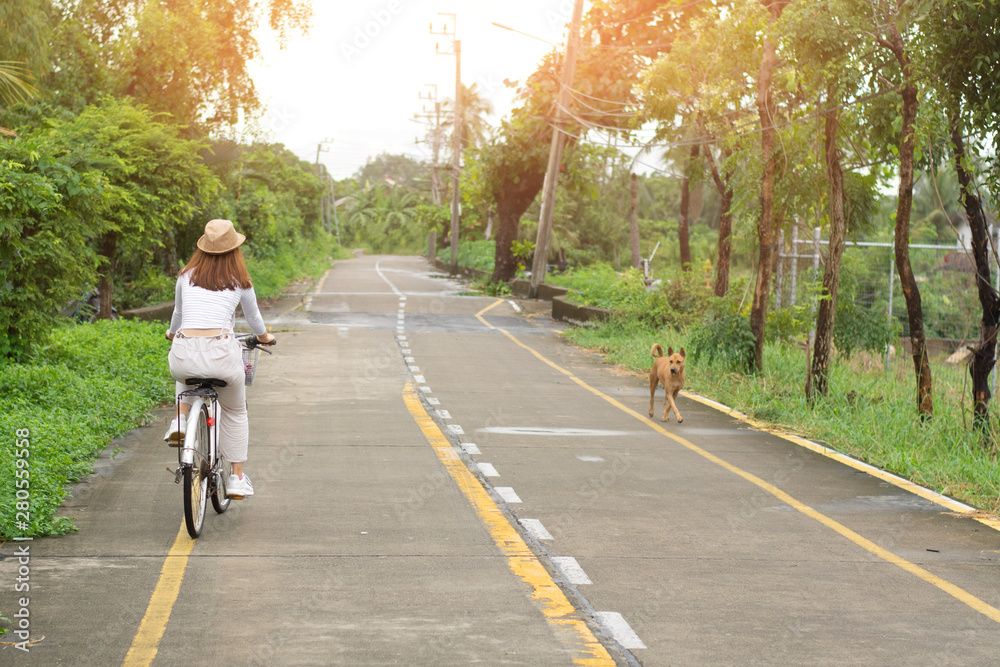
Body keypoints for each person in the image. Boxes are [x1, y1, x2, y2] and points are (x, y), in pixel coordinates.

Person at [164, 219, 274, 498]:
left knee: (186, 370)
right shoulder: (240, 281)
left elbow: (178, 314)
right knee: (235, 412)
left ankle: (179, 421)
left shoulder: (185, 276)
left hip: (184, 350)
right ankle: (236, 478)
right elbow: (254, 318)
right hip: (222, 355)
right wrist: (264, 337)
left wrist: (172, 334)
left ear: (202, 248)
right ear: (234, 250)